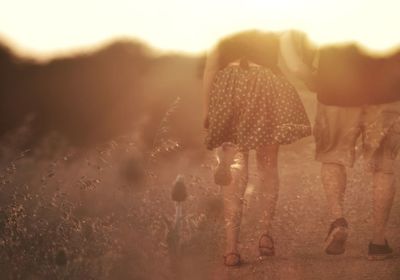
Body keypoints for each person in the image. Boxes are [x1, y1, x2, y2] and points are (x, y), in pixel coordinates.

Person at [283, 32, 400, 260]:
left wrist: (308, 75)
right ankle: (378, 241)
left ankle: (338, 220)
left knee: (332, 157)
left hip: (335, 90)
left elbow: (296, 42)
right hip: (386, 91)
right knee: (383, 166)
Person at [203, 30, 311, 266]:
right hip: (266, 85)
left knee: (235, 166)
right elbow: (292, 62)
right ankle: (265, 234)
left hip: (228, 88)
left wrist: (207, 109)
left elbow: (211, 67)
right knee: (268, 165)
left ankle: (231, 248)